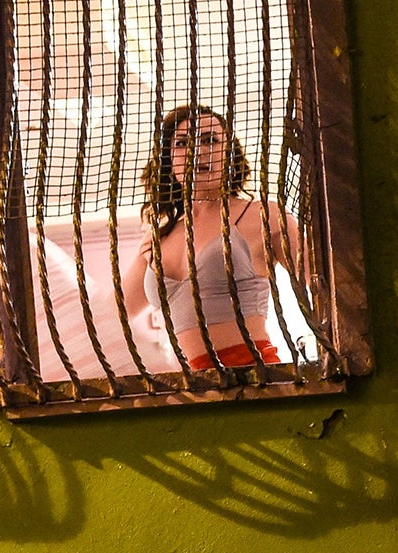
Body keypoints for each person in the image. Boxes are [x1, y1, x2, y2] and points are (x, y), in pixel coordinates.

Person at [122, 103, 299, 371]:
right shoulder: (158, 236)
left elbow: (325, 283)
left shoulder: (265, 215)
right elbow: (116, 312)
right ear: (168, 158)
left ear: (230, 153)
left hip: (256, 376)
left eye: (210, 140)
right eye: (182, 143)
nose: (197, 152)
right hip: (195, 387)